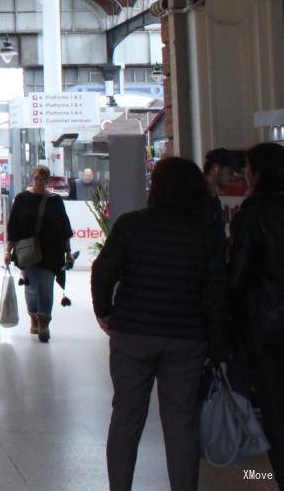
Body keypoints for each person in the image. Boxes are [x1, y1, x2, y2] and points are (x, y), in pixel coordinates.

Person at [93, 156, 230, 491]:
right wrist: (218, 344)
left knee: (126, 418)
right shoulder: (204, 232)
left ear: (156, 187)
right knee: (180, 424)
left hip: (132, 334)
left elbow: (102, 271)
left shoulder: (131, 224)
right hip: (186, 338)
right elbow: (216, 291)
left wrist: (106, 312)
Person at [229, 142, 284, 485]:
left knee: (276, 408)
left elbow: (239, 273)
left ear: (259, 172)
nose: (244, 174)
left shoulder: (254, 212)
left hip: (268, 326)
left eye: (248, 168)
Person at [3, 166, 73, 341]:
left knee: (45, 287)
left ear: (48, 180)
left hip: (51, 252)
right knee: (31, 288)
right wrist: (7, 251)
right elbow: (13, 228)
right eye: (37, 179)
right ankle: (33, 316)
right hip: (28, 251)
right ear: (32, 179)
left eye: (43, 180)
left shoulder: (55, 201)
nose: (40, 183)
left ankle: (44, 324)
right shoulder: (21, 199)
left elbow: (64, 227)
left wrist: (69, 251)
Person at [203, 147, 234, 236]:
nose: (232, 177)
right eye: (230, 172)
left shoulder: (212, 197)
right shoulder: (201, 199)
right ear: (216, 168)